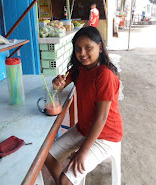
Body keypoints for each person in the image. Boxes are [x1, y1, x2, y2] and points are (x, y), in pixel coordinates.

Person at [45, 26, 123, 185]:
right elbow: (60, 85)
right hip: (84, 129)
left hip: (105, 136)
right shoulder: (79, 70)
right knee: (46, 156)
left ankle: (64, 182)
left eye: (88, 48)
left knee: (66, 180)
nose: (82, 53)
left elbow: (101, 118)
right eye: (78, 49)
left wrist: (83, 150)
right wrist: (57, 82)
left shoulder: (105, 75)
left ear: (100, 47)